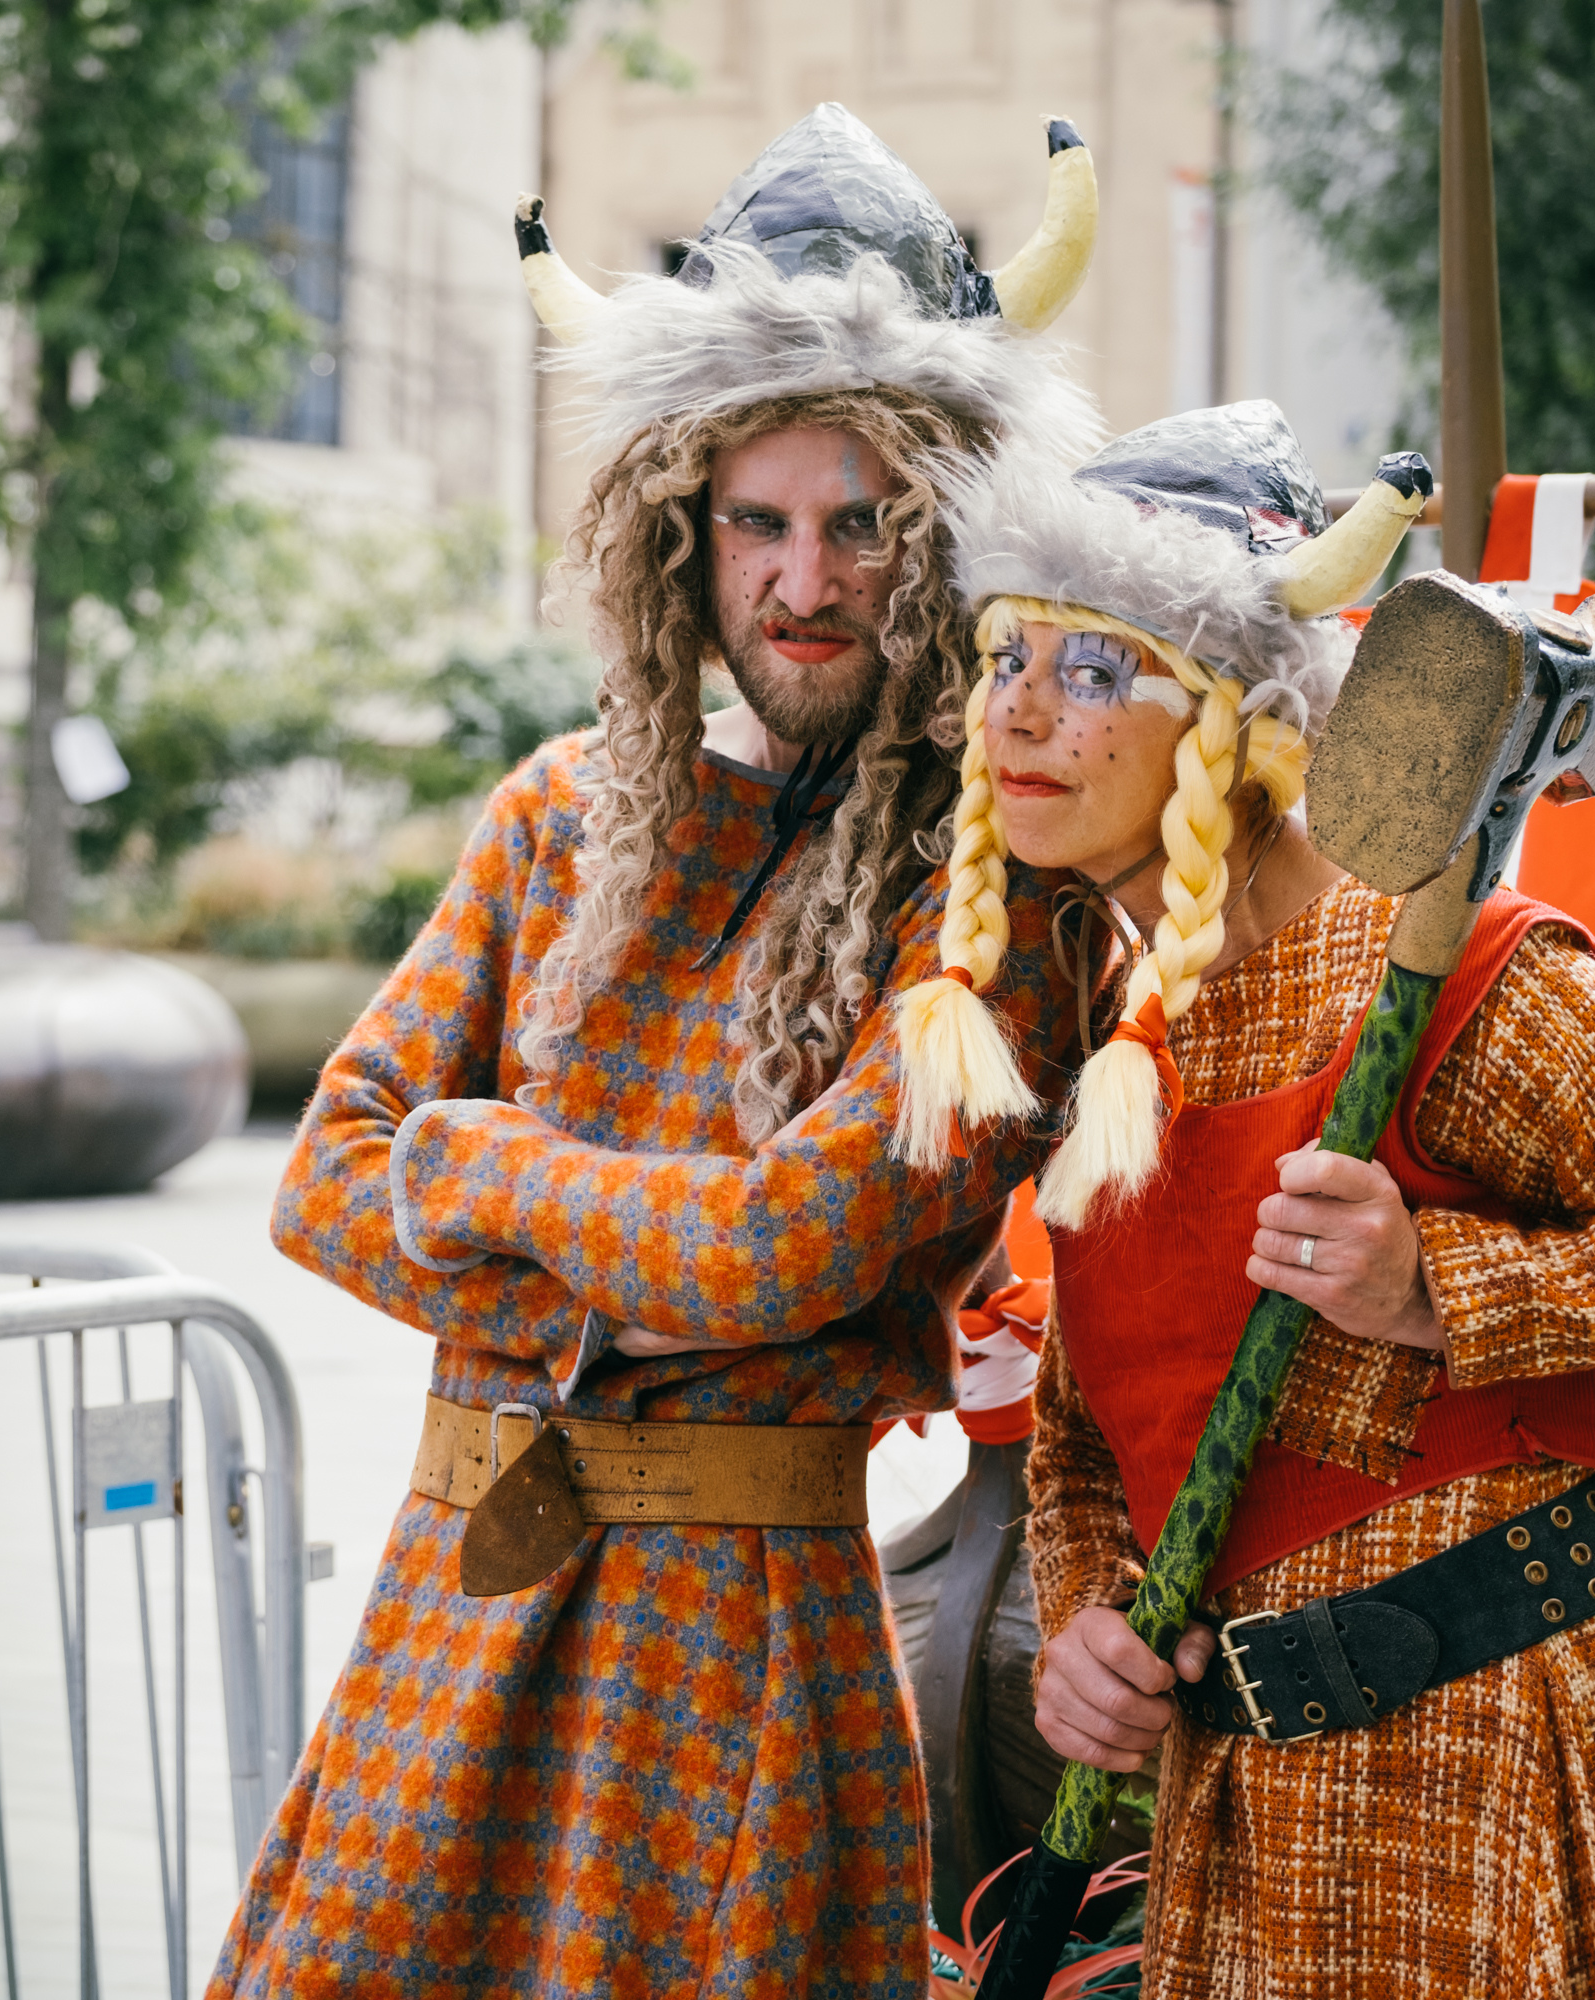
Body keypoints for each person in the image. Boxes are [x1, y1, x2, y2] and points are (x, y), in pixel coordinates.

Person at [207, 104, 1104, 1996]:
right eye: (758, 525)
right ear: (678, 543)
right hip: (462, 1602)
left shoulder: (992, 908)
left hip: (746, 1639)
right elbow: (316, 1184)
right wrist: (611, 1255)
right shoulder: (556, 814)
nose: (806, 582)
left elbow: (782, 1248)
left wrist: (476, 1171)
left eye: (863, 525)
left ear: (938, 540)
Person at [895, 405, 1595, 1997]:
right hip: (1247, 1812)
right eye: (1008, 658)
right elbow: (1086, 1440)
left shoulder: (1461, 979)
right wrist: (1085, 1629)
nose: (1018, 716)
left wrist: (1442, 1285)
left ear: (1236, 714)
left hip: (1506, 1753)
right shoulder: (1112, 1054)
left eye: (1091, 672)